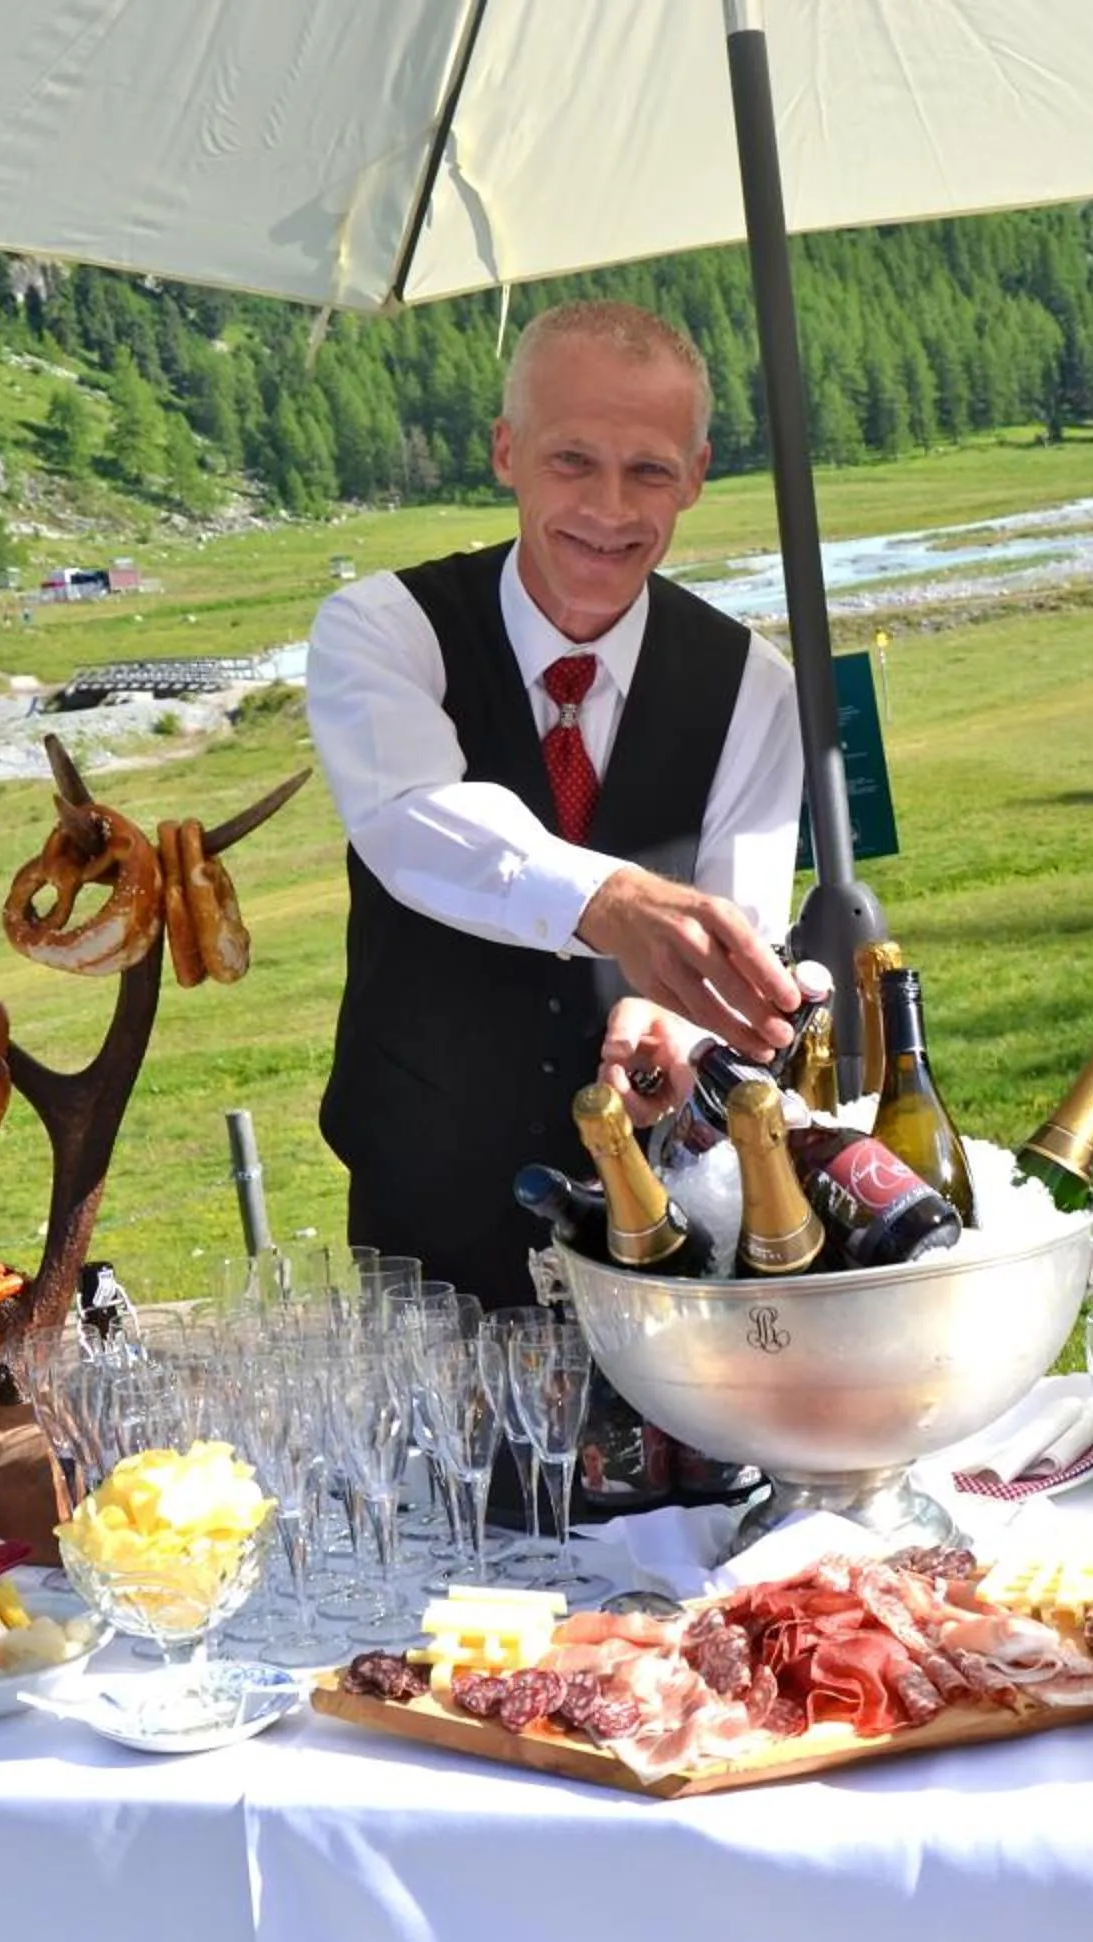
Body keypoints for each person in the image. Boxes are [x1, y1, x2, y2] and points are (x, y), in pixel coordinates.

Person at [308, 300, 805, 1311]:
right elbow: (412, 819)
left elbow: (735, 923)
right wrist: (615, 902)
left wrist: (669, 1013)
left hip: (663, 1244)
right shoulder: (383, 632)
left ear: (698, 476)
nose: (610, 508)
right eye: (573, 460)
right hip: (422, 1239)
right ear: (507, 451)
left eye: (651, 470)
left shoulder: (754, 687)